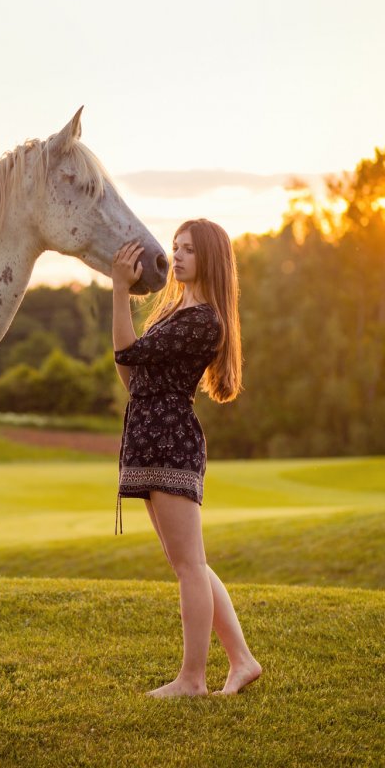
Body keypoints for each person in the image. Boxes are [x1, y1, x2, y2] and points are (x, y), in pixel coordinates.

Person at [110, 218, 262, 698]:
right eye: (175, 247)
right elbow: (133, 379)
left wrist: (119, 291)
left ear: (209, 260)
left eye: (188, 250)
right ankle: (242, 660)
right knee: (189, 561)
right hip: (152, 438)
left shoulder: (202, 320)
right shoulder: (177, 311)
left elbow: (127, 353)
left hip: (172, 442)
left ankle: (192, 679)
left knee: (189, 566)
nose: (176, 256)